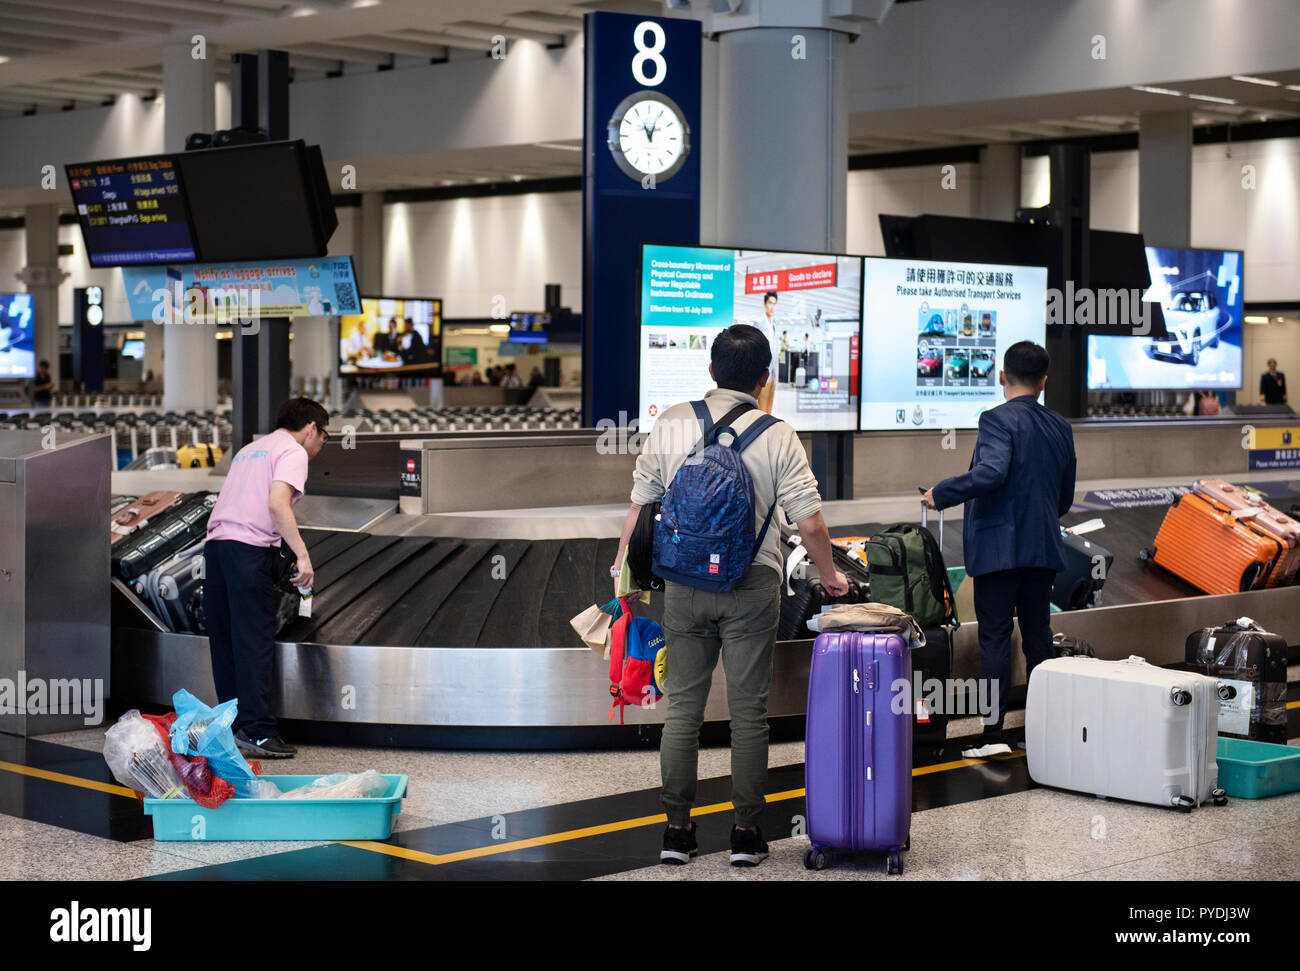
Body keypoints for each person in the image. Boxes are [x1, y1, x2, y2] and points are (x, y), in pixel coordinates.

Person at [616, 324, 849, 869]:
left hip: (683, 586)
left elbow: (640, 510)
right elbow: (809, 523)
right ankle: (745, 835)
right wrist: (830, 575)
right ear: (765, 378)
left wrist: (623, 575)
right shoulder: (779, 434)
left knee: (682, 712)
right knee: (748, 716)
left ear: (711, 371)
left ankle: (677, 833)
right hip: (751, 586)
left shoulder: (673, 422)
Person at [923, 341, 1076, 757]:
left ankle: (992, 735)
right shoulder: (1060, 426)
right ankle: (1041, 731)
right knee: (1039, 638)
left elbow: (991, 472)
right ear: (1044, 382)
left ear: (1003, 377)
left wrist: (942, 492)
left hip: (998, 552)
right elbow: (1064, 497)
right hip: (1042, 550)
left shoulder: (995, 419)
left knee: (995, 637)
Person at [203, 397, 330, 759]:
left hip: (216, 550)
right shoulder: (293, 451)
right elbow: (277, 503)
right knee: (253, 642)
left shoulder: (249, 450)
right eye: (324, 435)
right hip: (248, 553)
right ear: (311, 428)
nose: (321, 443)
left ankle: (232, 728)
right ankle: (257, 731)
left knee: (226, 644)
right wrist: (302, 556)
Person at [753, 291, 778, 413]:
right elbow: (755, 348)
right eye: (770, 303)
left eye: (774, 304)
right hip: (763, 373)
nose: (772, 307)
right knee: (762, 411)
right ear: (765, 304)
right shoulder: (759, 323)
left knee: (769, 411)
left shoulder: (773, 324)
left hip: (773, 373)